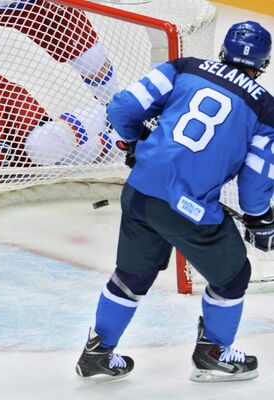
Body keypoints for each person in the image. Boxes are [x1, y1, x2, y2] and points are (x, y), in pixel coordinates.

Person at [75, 21, 273, 382]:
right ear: (263, 64)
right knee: (233, 277)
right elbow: (255, 183)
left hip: (139, 191)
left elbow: (122, 108)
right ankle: (214, 353)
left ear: (224, 51)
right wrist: (261, 220)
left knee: (131, 276)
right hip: (189, 208)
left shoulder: (185, 67)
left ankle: (98, 352)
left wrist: (136, 144)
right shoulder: (265, 109)